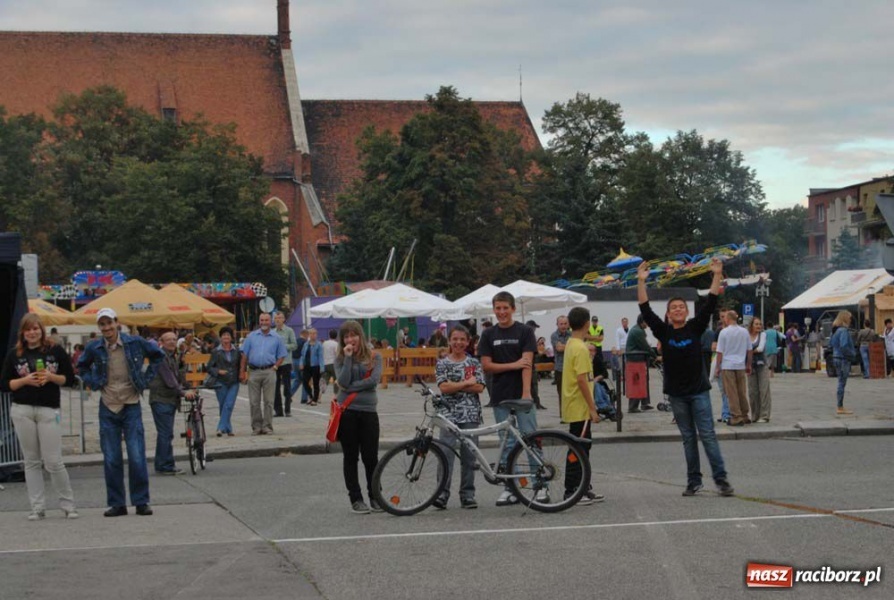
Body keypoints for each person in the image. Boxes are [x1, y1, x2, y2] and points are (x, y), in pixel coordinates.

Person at [637, 258, 734, 497]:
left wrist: (717, 275)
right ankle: (694, 481)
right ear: (668, 314)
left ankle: (721, 480)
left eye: (681, 307)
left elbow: (711, 302)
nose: (678, 309)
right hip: (677, 395)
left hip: (699, 391)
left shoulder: (695, 327)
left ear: (687, 311)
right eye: (673, 308)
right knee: (688, 439)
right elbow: (645, 309)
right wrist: (641, 282)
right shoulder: (663, 330)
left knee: (708, 436)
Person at [78, 307, 164, 517]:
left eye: (109, 323)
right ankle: (117, 503)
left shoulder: (134, 342)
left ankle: (141, 501)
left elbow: (157, 355)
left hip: (131, 402)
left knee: (136, 455)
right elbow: (81, 367)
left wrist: (144, 380)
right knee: (111, 457)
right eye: (102, 324)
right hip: (108, 404)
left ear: (117, 322)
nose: (107, 328)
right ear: (99, 327)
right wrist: (93, 382)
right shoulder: (95, 347)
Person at [0, 313, 78, 520]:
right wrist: (25, 380)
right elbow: (5, 384)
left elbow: (69, 379)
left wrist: (51, 377)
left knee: (53, 460)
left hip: (48, 409)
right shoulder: (14, 355)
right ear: (23, 333)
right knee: (31, 460)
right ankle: (37, 507)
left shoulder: (55, 351)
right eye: (28, 329)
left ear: (41, 331)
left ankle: (68, 504)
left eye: (36, 329)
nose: (32, 333)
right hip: (22, 409)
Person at [478, 291, 538, 507]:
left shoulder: (525, 331)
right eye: (498, 308)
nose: (501, 312)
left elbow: (527, 363)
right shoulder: (488, 335)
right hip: (500, 395)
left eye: (505, 308)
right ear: (493, 310)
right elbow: (487, 365)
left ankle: (539, 485)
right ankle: (509, 488)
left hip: (521, 394)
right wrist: (513, 364)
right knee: (507, 443)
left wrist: (526, 393)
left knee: (531, 438)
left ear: (512, 309)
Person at [433, 325, 485, 510]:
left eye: (462, 339)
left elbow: (479, 387)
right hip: (448, 414)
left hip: (470, 413)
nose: (458, 342)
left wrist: (455, 385)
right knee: (445, 455)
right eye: (455, 339)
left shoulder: (473, 363)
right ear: (449, 341)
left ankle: (468, 495)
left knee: (469, 456)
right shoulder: (442, 363)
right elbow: (443, 388)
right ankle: (441, 494)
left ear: (468, 342)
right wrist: (465, 383)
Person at [334, 320, 384, 514]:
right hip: (347, 411)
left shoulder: (374, 356)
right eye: (346, 336)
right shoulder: (340, 358)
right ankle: (356, 497)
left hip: (369, 411)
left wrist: (348, 387)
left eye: (353, 335)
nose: (350, 339)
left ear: (360, 336)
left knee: (371, 457)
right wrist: (347, 359)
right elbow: (343, 380)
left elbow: (373, 381)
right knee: (351, 457)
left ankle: (376, 496)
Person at [560, 306, 606, 505]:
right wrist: (593, 407)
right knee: (578, 448)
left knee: (582, 447)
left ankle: (583, 486)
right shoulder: (581, 348)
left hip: (573, 403)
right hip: (579, 405)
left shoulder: (571, 343)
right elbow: (582, 380)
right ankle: (572, 490)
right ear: (587, 324)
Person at [148, 331, 196, 475]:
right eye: (168, 339)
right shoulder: (160, 358)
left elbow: (178, 377)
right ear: (161, 342)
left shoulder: (171, 357)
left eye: (174, 339)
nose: (172, 342)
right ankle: (165, 465)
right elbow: (170, 381)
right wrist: (183, 392)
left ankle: (162, 463)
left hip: (168, 400)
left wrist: (188, 385)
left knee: (166, 433)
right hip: (161, 399)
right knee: (165, 433)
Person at [239, 313, 287, 436]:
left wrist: (275, 367)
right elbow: (244, 355)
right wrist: (242, 372)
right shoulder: (251, 336)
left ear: (270, 321)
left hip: (269, 371)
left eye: (266, 320)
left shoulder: (277, 337)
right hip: (254, 371)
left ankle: (267, 426)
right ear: (259, 322)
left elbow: (282, 355)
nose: (264, 322)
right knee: (254, 401)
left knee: (269, 401)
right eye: (262, 320)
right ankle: (256, 426)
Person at [715, 310, 752, 426]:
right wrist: (748, 364)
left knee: (731, 392)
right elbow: (749, 350)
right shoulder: (744, 332)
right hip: (740, 365)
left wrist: (717, 367)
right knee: (742, 391)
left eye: (725, 317)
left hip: (727, 365)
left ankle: (736, 416)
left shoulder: (724, 332)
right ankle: (745, 414)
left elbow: (720, 352)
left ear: (727, 319)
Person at [206, 326, 241, 436]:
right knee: (223, 404)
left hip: (234, 381)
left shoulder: (237, 351)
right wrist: (218, 371)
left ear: (231, 338)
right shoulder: (216, 351)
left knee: (229, 404)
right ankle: (228, 428)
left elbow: (240, 365)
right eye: (224, 335)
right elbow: (209, 367)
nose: (226, 337)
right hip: (220, 382)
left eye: (228, 335)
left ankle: (220, 428)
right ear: (220, 338)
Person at [625, 314, 654, 412]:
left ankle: (645, 403)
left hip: (638, 359)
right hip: (635, 360)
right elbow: (645, 346)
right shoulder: (637, 331)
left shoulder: (638, 330)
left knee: (643, 381)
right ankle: (633, 407)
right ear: (642, 321)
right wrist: (655, 356)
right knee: (636, 382)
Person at [829, 311, 856, 415]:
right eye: (849, 318)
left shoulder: (834, 331)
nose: (850, 320)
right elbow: (844, 345)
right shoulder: (843, 331)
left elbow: (831, 344)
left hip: (836, 357)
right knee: (842, 383)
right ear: (845, 318)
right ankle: (840, 406)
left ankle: (840, 406)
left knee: (840, 382)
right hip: (843, 358)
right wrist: (851, 354)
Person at [746, 318, 772, 423]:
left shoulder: (763, 335)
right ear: (751, 325)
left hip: (762, 365)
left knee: (764, 390)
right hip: (750, 365)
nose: (758, 326)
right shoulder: (746, 336)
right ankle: (754, 415)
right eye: (756, 324)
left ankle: (764, 415)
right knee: (752, 392)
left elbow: (760, 348)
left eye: (760, 324)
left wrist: (749, 351)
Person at [272, 312, 298, 417]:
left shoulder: (289, 330)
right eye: (276, 318)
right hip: (275, 363)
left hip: (286, 362)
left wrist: (283, 346)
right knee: (275, 387)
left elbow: (294, 345)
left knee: (287, 387)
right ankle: (278, 410)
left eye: (280, 318)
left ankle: (288, 410)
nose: (278, 320)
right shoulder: (272, 332)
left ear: (284, 319)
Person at [550, 315, 571, 420]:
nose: (563, 326)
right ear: (557, 324)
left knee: (571, 392)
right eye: (561, 324)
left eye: (565, 323)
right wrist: (570, 346)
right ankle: (564, 415)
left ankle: (572, 413)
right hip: (560, 368)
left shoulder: (571, 334)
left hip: (571, 368)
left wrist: (564, 346)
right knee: (562, 393)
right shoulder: (554, 335)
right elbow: (559, 348)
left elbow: (563, 347)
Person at [300, 327, 324, 406]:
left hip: (315, 366)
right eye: (310, 333)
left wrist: (322, 367)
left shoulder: (319, 345)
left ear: (316, 335)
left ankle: (315, 400)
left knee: (316, 383)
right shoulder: (306, 344)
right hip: (307, 366)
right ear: (308, 335)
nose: (312, 335)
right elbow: (302, 355)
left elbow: (321, 357)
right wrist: (301, 363)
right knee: (305, 382)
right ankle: (311, 396)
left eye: (314, 333)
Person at [525, 320, 545, 410]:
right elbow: (535, 352)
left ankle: (536, 402)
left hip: (531, 365)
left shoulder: (529, 336)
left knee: (533, 384)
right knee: (533, 385)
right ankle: (535, 402)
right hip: (528, 365)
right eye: (534, 328)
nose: (535, 329)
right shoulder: (527, 336)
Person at [290, 328, 308, 403]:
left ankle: (289, 394)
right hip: (301, 362)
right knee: (305, 380)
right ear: (306, 335)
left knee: (297, 379)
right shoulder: (305, 342)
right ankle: (304, 398)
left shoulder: (295, 341)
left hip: (294, 361)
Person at [322, 329, 340, 394]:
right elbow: (337, 354)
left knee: (324, 380)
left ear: (329, 335)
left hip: (325, 364)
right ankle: (336, 395)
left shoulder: (324, 343)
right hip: (333, 364)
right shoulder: (336, 344)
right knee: (336, 380)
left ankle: (319, 396)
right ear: (336, 336)